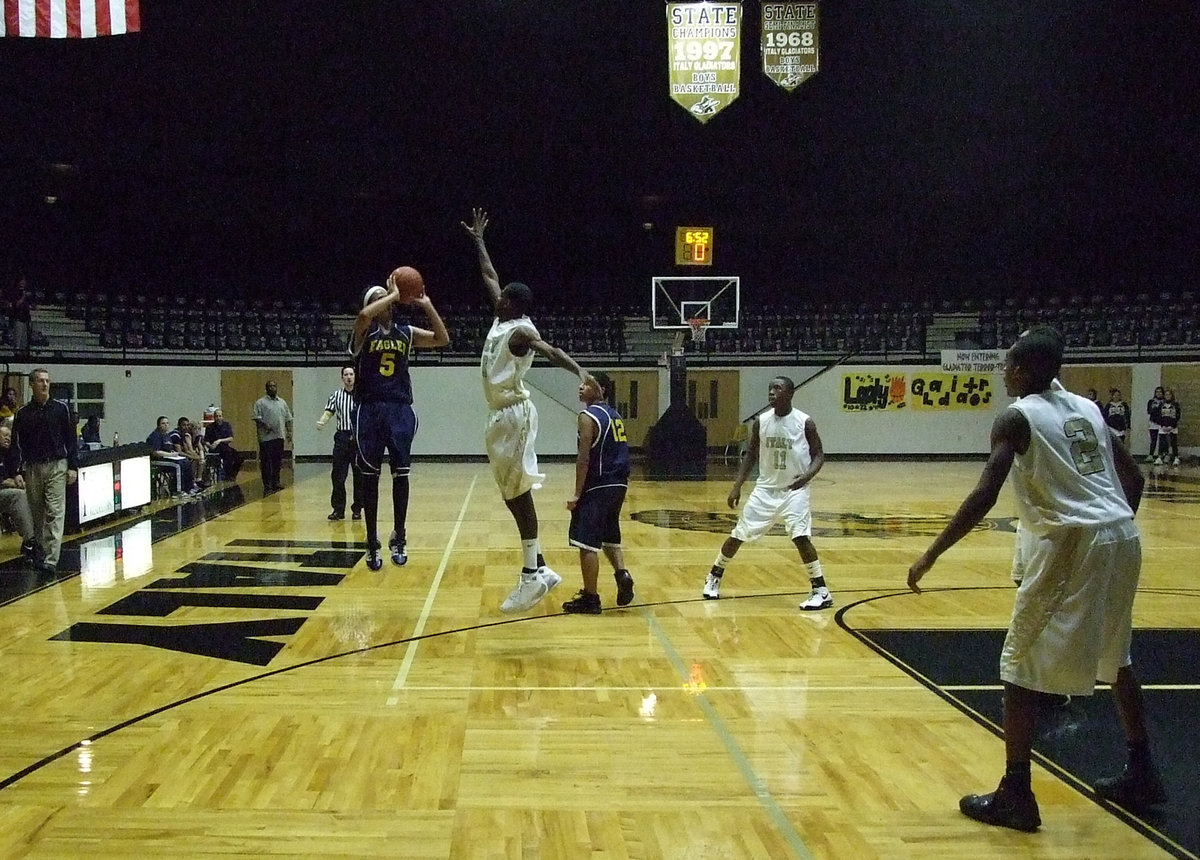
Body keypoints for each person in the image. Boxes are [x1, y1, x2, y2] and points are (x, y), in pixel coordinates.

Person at [907, 325, 1165, 833]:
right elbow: (1133, 480)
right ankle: (1143, 772)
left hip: (1076, 544)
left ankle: (1016, 794)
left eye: (1007, 365)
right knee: (1117, 658)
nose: (1003, 372)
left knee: (1018, 665)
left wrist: (931, 554)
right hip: (1122, 537)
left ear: (1023, 369)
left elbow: (984, 495)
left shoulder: (1016, 417)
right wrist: (1107, 526)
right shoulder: (1089, 409)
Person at [462, 207, 594, 614]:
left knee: (518, 494)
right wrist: (480, 241)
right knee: (511, 494)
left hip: (514, 414)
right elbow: (489, 276)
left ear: (513, 304)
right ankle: (539, 567)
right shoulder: (503, 320)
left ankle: (530, 574)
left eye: (503, 297)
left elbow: (548, 350)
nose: (495, 296)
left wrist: (580, 371)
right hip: (500, 415)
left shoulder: (520, 330)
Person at [702, 375, 833, 611]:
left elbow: (819, 455)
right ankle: (714, 576)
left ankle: (820, 590)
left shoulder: (805, 422)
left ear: (790, 393)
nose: (772, 392)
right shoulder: (761, 422)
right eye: (770, 388)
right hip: (765, 489)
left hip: (795, 489)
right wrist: (737, 485)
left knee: (801, 537)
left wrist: (807, 476)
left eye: (777, 388)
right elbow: (751, 455)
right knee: (738, 534)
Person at [351, 272, 449, 570]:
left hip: (399, 410)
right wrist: (393, 294)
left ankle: (400, 535)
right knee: (369, 478)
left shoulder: (405, 332)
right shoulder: (363, 332)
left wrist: (427, 304)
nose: (385, 302)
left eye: (388, 298)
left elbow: (442, 339)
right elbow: (363, 316)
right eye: (378, 299)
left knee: (401, 475)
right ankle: (371, 540)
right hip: (369, 409)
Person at [562, 372, 635, 614]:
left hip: (598, 484)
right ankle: (622, 573)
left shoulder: (587, 416)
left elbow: (583, 458)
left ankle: (590, 597)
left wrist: (576, 494)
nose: (581, 387)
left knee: (586, 542)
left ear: (601, 389)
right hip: (619, 484)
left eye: (588, 384)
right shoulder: (615, 415)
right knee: (609, 533)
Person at [11, 368, 78, 574]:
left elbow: (71, 439)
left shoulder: (61, 409)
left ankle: (51, 558)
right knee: (37, 513)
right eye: (40, 381)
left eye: (47, 381)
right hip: (33, 466)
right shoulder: (23, 413)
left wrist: (73, 466)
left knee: (55, 512)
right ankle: (40, 551)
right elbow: (16, 444)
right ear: (32, 384)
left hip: (57, 464)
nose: (45, 384)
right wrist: (16, 471)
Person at [317, 364, 363, 521]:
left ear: (355, 376)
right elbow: (329, 411)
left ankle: (357, 509)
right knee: (338, 476)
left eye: (351, 374)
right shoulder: (336, 395)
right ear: (342, 378)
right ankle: (338, 509)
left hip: (358, 439)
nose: (349, 377)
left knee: (359, 476)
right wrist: (322, 422)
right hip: (342, 438)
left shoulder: (363, 395)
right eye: (346, 374)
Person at [0, 423, 39, 565]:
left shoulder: (10, 453)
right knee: (18, 496)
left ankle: (35, 538)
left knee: (33, 493)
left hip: (6, 492)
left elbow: (15, 474)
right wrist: (9, 482)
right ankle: (30, 540)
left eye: (9, 436)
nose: (7, 439)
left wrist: (16, 477)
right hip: (5, 492)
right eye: (4, 436)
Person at [252, 380, 293, 492]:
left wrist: (289, 432)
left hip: (279, 436)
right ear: (266, 389)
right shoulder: (260, 403)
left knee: (277, 461)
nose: (272, 388)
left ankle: (276, 482)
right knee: (266, 462)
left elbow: (288, 419)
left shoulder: (282, 402)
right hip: (265, 438)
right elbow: (256, 417)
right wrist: (265, 425)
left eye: (274, 386)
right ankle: (267, 484)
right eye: (270, 386)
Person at [147, 416, 196, 495]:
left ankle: (189, 488)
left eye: (167, 423)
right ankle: (179, 491)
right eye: (163, 423)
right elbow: (156, 452)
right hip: (158, 460)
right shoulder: (155, 436)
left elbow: (169, 448)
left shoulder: (167, 436)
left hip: (168, 458)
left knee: (186, 462)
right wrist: (170, 454)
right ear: (159, 425)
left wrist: (172, 453)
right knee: (178, 465)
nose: (166, 425)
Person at [203, 407, 242, 481]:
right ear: (214, 417)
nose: (218, 418)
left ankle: (232, 474)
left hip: (224, 447)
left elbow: (231, 438)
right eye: (216, 416)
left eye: (220, 416)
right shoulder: (209, 427)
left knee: (239, 457)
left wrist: (220, 440)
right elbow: (206, 441)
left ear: (222, 417)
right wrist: (210, 446)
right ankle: (226, 475)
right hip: (215, 449)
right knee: (228, 454)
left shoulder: (226, 425)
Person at [169, 417, 207, 489]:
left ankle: (196, 481)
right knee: (190, 461)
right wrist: (194, 456)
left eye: (187, 425)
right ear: (179, 426)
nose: (186, 427)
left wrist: (198, 457)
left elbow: (186, 450)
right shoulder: (176, 435)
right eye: (184, 425)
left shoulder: (183, 434)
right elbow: (179, 452)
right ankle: (188, 485)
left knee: (197, 460)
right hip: (170, 457)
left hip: (177, 456)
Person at [1155, 387, 1181, 466]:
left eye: (1169, 394)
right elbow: (1159, 416)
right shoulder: (1161, 405)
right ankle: (1160, 457)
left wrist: (1172, 426)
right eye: (1166, 394)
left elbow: (1177, 416)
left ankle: (1176, 457)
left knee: (1173, 442)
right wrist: (1162, 425)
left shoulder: (1175, 405)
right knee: (1162, 442)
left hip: (1172, 427)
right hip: (1163, 426)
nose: (1167, 396)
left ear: (1172, 395)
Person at [1146, 386, 1165, 462]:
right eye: (1157, 392)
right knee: (1153, 440)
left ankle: (1161, 455)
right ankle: (1151, 454)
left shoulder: (1164, 402)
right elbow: (1149, 411)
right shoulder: (1151, 401)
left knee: (1162, 440)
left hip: (1162, 423)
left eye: (1160, 392)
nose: (1158, 393)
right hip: (1153, 422)